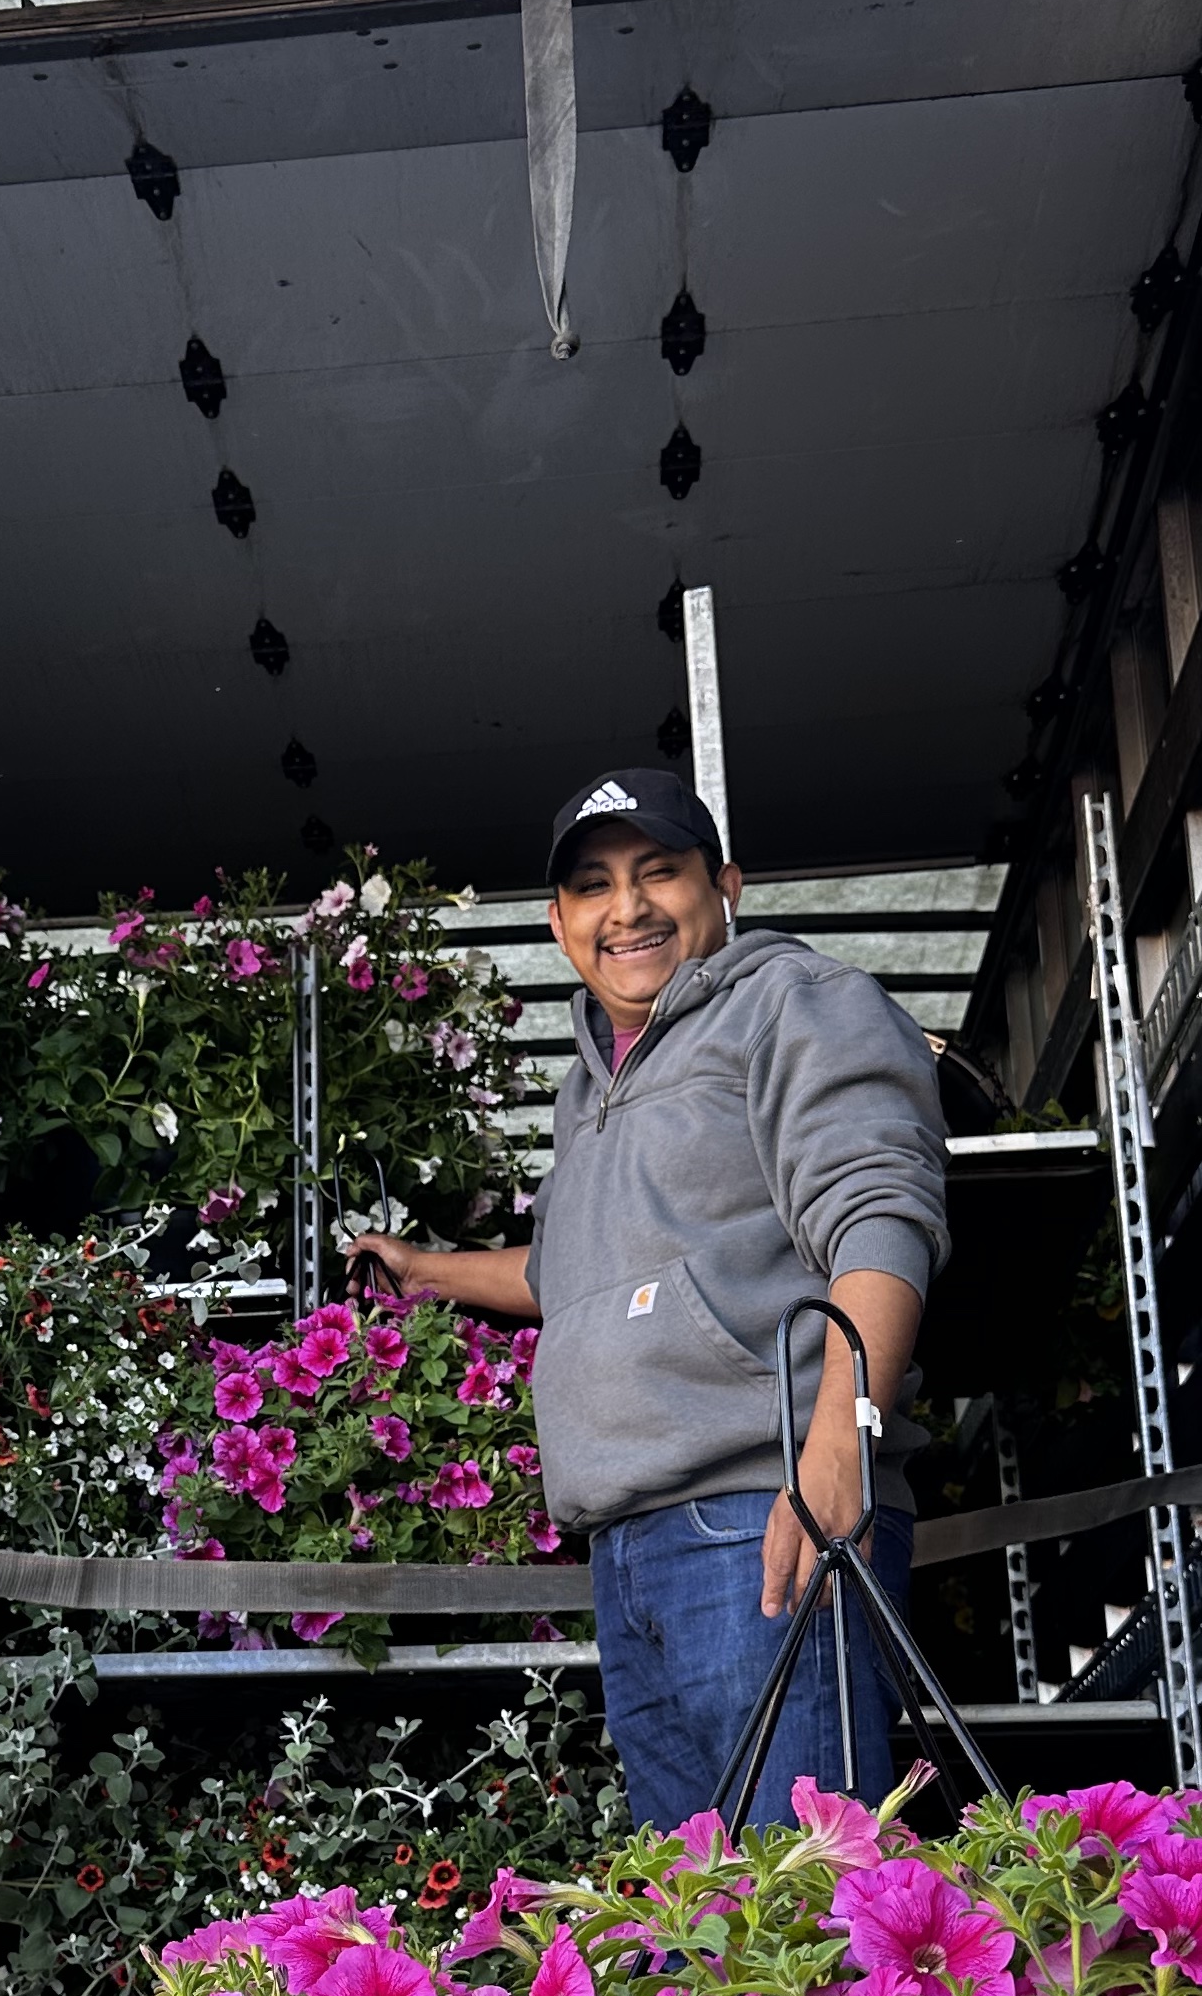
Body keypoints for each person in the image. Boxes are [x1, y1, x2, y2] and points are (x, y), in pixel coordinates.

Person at [350, 765, 947, 1831]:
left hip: (762, 1530)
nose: (626, 908)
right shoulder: (594, 1084)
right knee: (700, 1945)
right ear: (558, 920)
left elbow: (880, 1218)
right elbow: (571, 1276)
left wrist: (838, 1449)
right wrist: (429, 1271)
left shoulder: (797, 1004)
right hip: (633, 1555)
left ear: (726, 886)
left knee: (801, 1925)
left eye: (658, 873)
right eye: (593, 885)